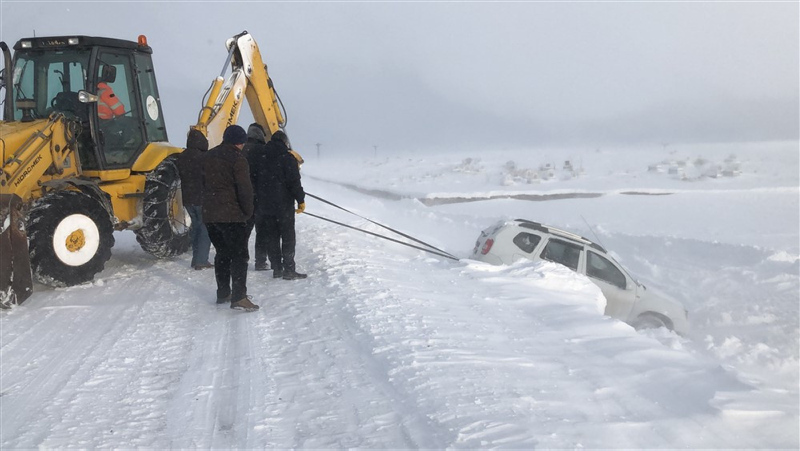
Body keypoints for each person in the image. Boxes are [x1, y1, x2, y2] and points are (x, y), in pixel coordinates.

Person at [202, 124, 259, 311]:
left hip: (210, 215)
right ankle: (239, 297)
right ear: (239, 142)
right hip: (232, 216)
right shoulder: (238, 160)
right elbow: (245, 189)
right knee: (240, 256)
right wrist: (248, 211)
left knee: (222, 254)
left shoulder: (208, 156)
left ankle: (223, 292)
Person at [247, 129, 307, 280]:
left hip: (264, 205)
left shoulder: (260, 158)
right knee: (287, 237)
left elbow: (253, 180)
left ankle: (277, 268)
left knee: (272, 237)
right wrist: (300, 200)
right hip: (284, 206)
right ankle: (289, 269)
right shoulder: (288, 158)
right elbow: (294, 182)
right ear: (284, 142)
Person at [176, 128, 213, 270]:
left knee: (196, 228)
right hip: (202, 198)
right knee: (205, 230)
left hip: (188, 199)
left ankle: (196, 259)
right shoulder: (204, 157)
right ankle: (201, 260)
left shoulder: (182, 157)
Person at [242, 123, 269, 270]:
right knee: (261, 230)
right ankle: (260, 261)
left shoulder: (241, 150)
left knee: (244, 230)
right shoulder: (263, 151)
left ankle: (242, 258)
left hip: (244, 196)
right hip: (261, 195)